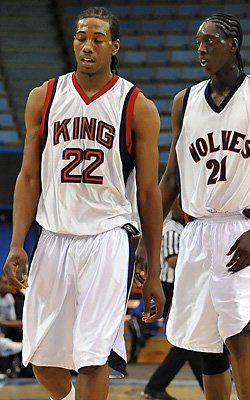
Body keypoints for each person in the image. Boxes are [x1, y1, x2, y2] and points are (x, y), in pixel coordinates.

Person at [3, 6, 165, 400]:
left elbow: (148, 192)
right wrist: (16, 242)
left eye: (97, 38)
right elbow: (28, 177)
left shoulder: (136, 106)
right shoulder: (44, 96)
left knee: (94, 356)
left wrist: (154, 262)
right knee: (40, 357)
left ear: (115, 46)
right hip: (53, 235)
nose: (87, 45)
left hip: (108, 238)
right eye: (81, 37)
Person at [151, 12, 250, 400]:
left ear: (234, 45)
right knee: (204, 344)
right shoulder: (185, 101)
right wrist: (145, 240)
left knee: (237, 335)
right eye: (199, 42)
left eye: (210, 41)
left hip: (244, 226)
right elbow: (170, 179)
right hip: (196, 229)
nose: (201, 49)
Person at [142, 198, 204, 400]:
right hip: (170, 289)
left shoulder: (184, 227)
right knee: (186, 342)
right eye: (180, 205)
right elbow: (173, 261)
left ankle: (156, 387)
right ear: (174, 207)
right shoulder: (170, 229)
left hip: (182, 288)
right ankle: (154, 387)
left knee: (188, 342)